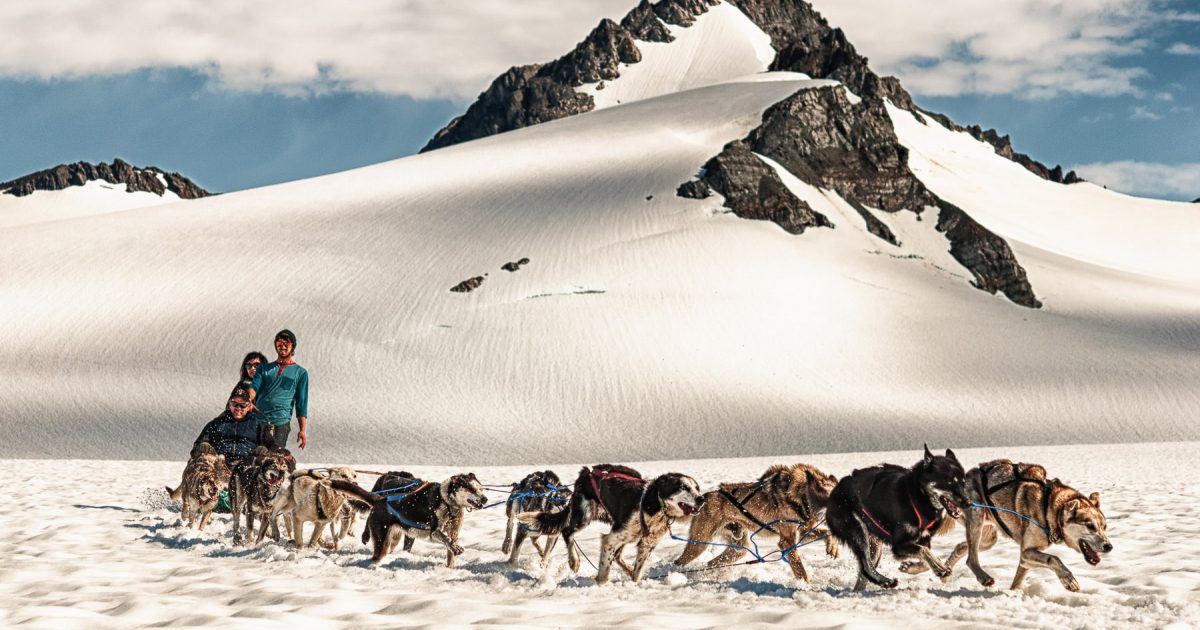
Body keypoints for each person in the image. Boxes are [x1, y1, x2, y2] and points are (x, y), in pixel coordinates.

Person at [250, 329, 310, 450]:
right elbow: (254, 387)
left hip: (281, 422)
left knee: (273, 457)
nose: (282, 347)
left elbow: (301, 403)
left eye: (286, 344)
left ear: (293, 346)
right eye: (279, 344)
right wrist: (248, 400)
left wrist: (302, 430)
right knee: (255, 456)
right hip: (259, 420)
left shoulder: (300, 373)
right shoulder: (263, 368)